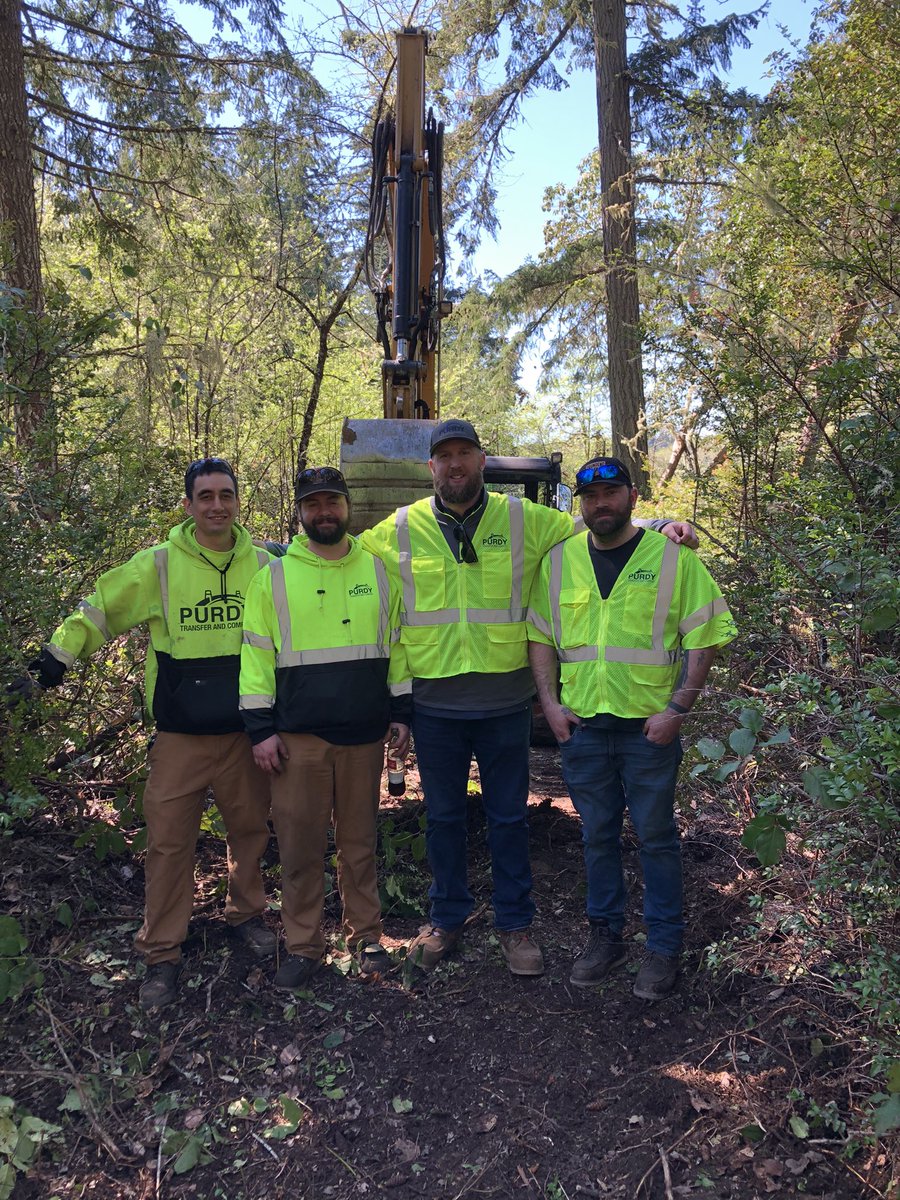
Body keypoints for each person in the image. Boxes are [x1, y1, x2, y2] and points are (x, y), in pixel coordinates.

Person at [361, 420, 698, 977]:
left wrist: (663, 524)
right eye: (443, 457)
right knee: (442, 819)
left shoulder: (525, 521)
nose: (455, 465)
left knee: (508, 819)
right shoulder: (400, 528)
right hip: (435, 708)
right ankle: (446, 921)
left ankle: (515, 927)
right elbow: (338, 555)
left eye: (464, 453)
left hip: (505, 704)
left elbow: (595, 523)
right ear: (431, 468)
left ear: (481, 460)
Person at [8, 459, 277, 1011]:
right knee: (168, 844)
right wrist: (52, 663)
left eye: (226, 495)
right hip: (180, 737)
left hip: (247, 732)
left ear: (237, 501)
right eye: (206, 496)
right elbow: (99, 609)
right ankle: (162, 953)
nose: (217, 506)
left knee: (249, 831)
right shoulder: (157, 566)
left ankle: (247, 915)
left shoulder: (266, 563)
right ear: (189, 505)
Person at [527, 456, 736, 999]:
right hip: (584, 730)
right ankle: (606, 937)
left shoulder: (673, 559)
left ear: (633, 496)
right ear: (581, 503)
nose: (601, 503)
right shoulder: (559, 562)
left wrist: (679, 711)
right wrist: (549, 704)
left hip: (649, 731)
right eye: (591, 496)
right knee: (596, 837)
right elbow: (542, 638)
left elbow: (704, 636)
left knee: (657, 838)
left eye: (612, 492)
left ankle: (664, 948)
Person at [239, 467, 411, 991]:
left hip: (363, 737)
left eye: (332, 501)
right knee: (299, 847)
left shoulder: (380, 571)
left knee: (359, 844)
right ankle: (303, 945)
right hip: (297, 741)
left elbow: (397, 644)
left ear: (347, 506)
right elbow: (255, 657)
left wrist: (401, 711)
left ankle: (367, 938)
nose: (324, 512)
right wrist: (260, 729)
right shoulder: (272, 577)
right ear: (299, 512)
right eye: (313, 504)